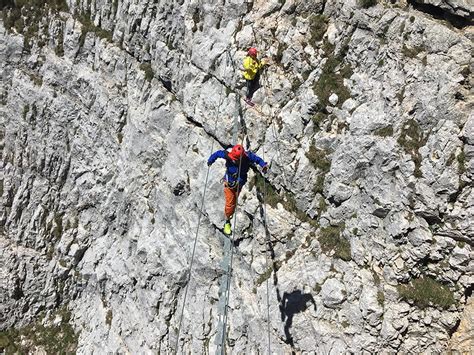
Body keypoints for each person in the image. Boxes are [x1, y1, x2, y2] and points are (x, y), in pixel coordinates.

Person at [208, 144, 268, 235]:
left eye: (236, 160)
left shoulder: (247, 156)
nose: (234, 161)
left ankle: (230, 213)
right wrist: (210, 160)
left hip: (240, 183)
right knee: (230, 203)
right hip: (230, 184)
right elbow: (217, 154)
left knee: (234, 201)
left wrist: (263, 165)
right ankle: (227, 222)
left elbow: (257, 159)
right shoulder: (228, 155)